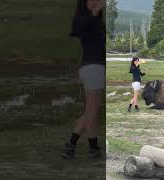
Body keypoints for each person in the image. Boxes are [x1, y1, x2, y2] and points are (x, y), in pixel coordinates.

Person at [62, 0, 105, 159]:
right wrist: (94, 12)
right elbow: (83, 28)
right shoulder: (85, 21)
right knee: (92, 111)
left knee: (92, 111)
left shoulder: (94, 22)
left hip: (93, 68)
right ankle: (73, 145)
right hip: (93, 68)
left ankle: (91, 148)